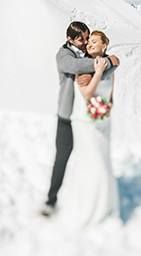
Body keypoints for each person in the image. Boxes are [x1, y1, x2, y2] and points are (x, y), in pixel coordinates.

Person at [41, 22, 119, 217]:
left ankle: (89, 201)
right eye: (81, 39)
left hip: (87, 118)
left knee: (90, 160)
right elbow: (74, 66)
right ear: (70, 39)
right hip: (68, 116)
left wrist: (109, 64)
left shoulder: (89, 54)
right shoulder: (64, 55)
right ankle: (51, 200)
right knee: (62, 159)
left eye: (87, 38)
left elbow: (103, 75)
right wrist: (107, 62)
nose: (85, 42)